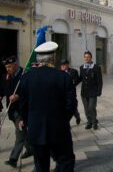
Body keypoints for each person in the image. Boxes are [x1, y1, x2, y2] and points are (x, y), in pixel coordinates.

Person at [19, 42, 76, 172]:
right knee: (65, 163)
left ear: (38, 59)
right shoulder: (63, 77)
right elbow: (71, 104)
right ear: (53, 58)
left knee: (40, 166)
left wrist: (27, 120)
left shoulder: (26, 78)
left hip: (36, 129)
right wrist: (62, 119)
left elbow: (23, 105)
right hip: (59, 129)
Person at [0, 56, 32, 168]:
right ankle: (30, 149)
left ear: (15, 65)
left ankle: (13, 159)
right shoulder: (5, 76)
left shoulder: (24, 75)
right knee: (23, 133)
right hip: (12, 111)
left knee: (20, 134)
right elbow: (2, 90)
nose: (7, 69)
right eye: (6, 67)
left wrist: (18, 96)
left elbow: (30, 91)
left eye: (9, 66)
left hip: (22, 110)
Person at [79, 51, 103, 130]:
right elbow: (80, 78)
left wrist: (99, 91)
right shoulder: (82, 67)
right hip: (84, 92)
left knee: (91, 107)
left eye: (88, 57)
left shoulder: (96, 67)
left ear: (91, 58)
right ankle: (89, 122)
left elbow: (100, 80)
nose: (86, 58)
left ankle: (94, 122)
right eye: (85, 57)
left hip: (93, 91)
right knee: (86, 108)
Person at [60, 59, 81, 125]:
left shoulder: (73, 71)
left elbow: (77, 80)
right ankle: (67, 122)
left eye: (64, 65)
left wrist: (71, 84)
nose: (63, 66)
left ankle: (77, 116)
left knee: (73, 106)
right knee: (64, 107)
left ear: (67, 65)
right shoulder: (59, 72)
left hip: (71, 93)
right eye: (62, 65)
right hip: (63, 93)